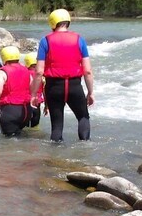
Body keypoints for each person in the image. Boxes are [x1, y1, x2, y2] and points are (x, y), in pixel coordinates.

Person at [30, 9, 94, 142]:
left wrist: (34, 94)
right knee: (83, 117)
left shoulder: (45, 41)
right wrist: (90, 92)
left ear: (52, 23)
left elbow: (39, 71)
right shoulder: (79, 40)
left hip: (54, 87)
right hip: (74, 86)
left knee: (57, 126)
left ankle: (55, 158)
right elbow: (87, 71)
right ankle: (85, 148)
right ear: (68, 22)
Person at [0, 46, 37, 136]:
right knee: (20, 138)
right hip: (26, 111)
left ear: (4, 57)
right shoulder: (26, 70)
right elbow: (33, 87)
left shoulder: (2, 72)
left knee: (8, 142)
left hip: (11, 111)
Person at [24, 51, 45, 128]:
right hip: (37, 102)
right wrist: (47, 105)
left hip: (26, 103)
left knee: (25, 126)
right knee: (35, 127)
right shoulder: (42, 74)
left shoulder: (24, 73)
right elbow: (45, 90)